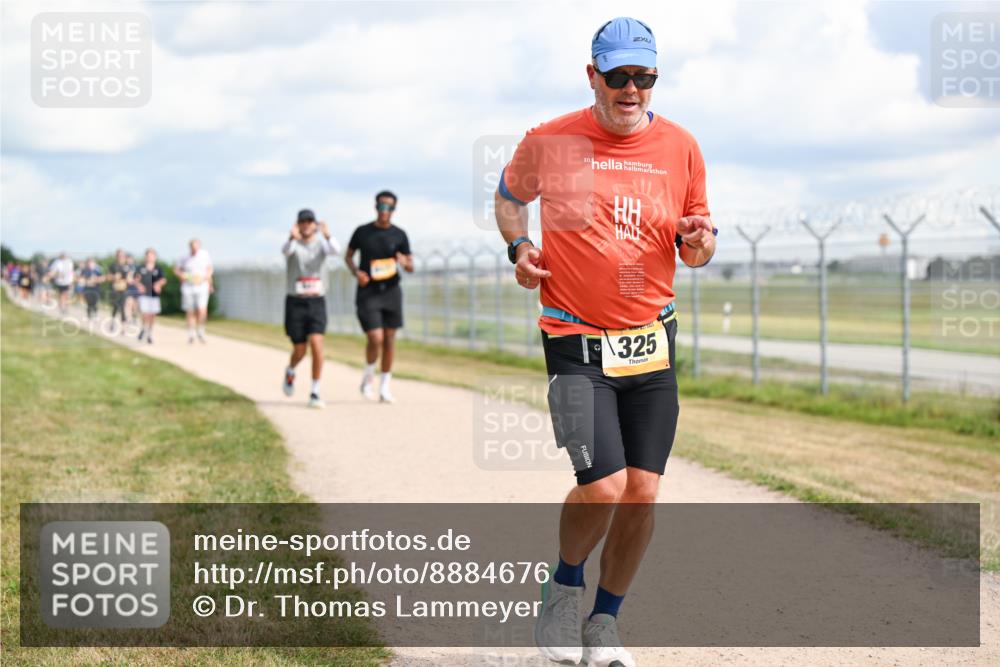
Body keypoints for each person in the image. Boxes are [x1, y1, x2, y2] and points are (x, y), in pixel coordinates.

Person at [494, 17, 717, 667]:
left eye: (643, 77)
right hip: (573, 338)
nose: (630, 89)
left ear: (654, 79)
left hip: (652, 342)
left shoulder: (681, 147)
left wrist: (701, 245)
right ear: (592, 75)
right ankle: (563, 588)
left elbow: (697, 243)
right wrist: (520, 243)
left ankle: (604, 623)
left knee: (643, 490)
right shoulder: (551, 139)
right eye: (617, 76)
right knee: (603, 485)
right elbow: (509, 200)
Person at [345, 190, 413, 403]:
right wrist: (357, 272)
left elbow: (410, 266)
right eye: (382, 206)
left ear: (394, 210)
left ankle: (385, 386)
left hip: (392, 291)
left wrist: (405, 263)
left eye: (390, 207)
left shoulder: (399, 235)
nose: (385, 211)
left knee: (390, 339)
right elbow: (348, 256)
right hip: (368, 292)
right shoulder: (362, 232)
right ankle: (368, 376)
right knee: (376, 338)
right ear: (376, 207)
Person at [281, 209, 340, 409]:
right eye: (302, 222)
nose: (306, 225)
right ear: (297, 225)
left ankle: (315, 391)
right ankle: (291, 370)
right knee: (300, 349)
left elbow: (336, 250)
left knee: (316, 343)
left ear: (314, 224)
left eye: (309, 222)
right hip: (295, 302)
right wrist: (291, 237)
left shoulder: (322, 244)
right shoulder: (293, 245)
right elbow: (286, 250)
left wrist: (327, 234)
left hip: (316, 301)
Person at [175, 238, 214, 343]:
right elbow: (177, 270)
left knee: (202, 310)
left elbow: (209, 269)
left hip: (202, 285)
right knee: (190, 311)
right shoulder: (184, 257)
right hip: (188, 286)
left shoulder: (205, 255)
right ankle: (191, 333)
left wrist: (209, 281)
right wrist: (182, 276)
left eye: (196, 247)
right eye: (193, 247)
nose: (194, 249)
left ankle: (201, 330)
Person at [135, 249, 167, 344]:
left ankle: (149, 333)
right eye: (148, 256)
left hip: (154, 295)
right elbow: (135, 279)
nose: (150, 258)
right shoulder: (141, 268)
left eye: (152, 256)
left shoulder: (158, 268)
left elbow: (163, 279)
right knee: (145, 313)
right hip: (144, 294)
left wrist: (158, 284)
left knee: (152, 315)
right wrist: (139, 286)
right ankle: (144, 328)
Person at [108, 249, 132, 327]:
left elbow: (130, 278)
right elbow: (108, 277)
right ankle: (113, 322)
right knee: (115, 306)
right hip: (115, 289)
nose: (121, 257)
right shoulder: (113, 265)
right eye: (119, 255)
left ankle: (123, 326)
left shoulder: (127, 266)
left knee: (122, 306)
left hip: (124, 289)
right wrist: (114, 277)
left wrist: (127, 279)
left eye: (122, 256)